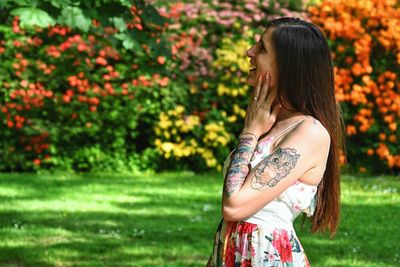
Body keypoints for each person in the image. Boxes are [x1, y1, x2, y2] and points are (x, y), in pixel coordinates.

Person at [206, 17, 346, 267]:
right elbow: (230, 223)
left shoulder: (309, 131)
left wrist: (249, 132)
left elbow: (234, 207)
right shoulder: (269, 123)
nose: (249, 52)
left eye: (261, 48)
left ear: (288, 66)